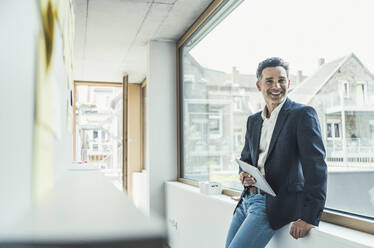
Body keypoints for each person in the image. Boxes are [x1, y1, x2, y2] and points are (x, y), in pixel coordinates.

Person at [225, 57, 327, 248]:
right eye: (269, 81)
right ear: (259, 85)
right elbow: (247, 158)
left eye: (281, 80)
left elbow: (317, 169)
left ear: (288, 83)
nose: (276, 86)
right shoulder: (253, 121)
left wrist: (310, 217)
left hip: (272, 206)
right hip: (247, 200)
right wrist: (244, 175)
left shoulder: (302, 115)